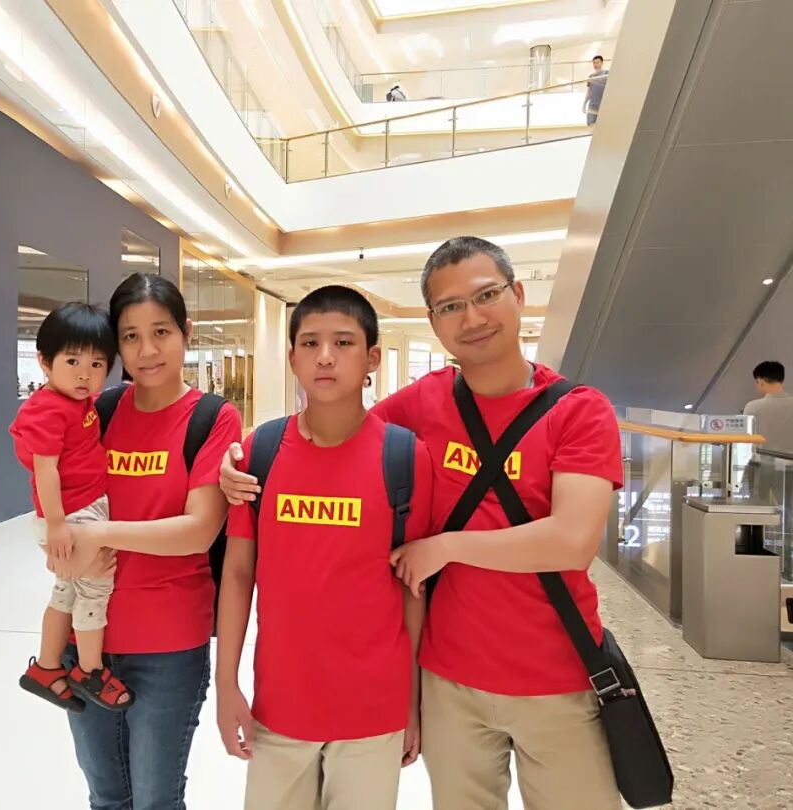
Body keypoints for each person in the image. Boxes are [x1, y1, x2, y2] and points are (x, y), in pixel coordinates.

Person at [220, 236, 625, 810]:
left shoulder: (578, 411)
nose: (472, 318)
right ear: (433, 322)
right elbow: (334, 429)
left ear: (518, 295)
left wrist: (446, 547)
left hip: (555, 673)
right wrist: (235, 457)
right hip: (448, 680)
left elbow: (572, 541)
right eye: (450, 306)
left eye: (486, 296)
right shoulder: (425, 402)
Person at [216, 286, 432, 810]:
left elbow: (413, 588)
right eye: (310, 343)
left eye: (344, 342)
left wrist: (412, 701)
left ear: (372, 358)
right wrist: (226, 684)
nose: (326, 356)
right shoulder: (261, 451)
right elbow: (238, 573)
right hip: (280, 706)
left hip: (373, 710)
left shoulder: (405, 457)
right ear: (292, 357)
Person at [58, 273, 242, 809]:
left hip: (168, 645)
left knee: (156, 800)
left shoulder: (211, 418)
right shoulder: (99, 412)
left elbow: (198, 530)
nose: (147, 351)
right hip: (86, 637)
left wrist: (100, 533)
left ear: (186, 332)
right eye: (131, 336)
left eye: (161, 332)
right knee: (106, 796)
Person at [9, 303, 133, 713]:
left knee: (66, 590)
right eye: (72, 361)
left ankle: (47, 667)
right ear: (44, 362)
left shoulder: (76, 402)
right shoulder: (46, 409)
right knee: (96, 588)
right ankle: (90, 670)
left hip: (78, 512)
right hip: (72, 515)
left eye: (97, 364)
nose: (85, 374)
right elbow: (45, 471)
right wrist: (58, 525)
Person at [745, 361, 793, 454]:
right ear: (782, 381)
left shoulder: (753, 406)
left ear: (760, 382)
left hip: (762, 460)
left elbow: (746, 439)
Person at [584, 55, 609, 126]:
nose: (596, 65)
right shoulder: (591, 76)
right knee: (591, 124)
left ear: (602, 63)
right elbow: (589, 91)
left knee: (603, 126)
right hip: (592, 105)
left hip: (603, 105)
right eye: (594, 63)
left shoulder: (607, 73)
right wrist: (584, 103)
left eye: (598, 62)